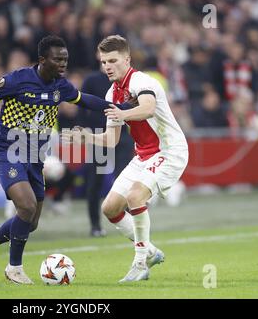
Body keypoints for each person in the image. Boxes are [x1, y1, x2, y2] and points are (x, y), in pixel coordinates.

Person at [0, 35, 132, 284]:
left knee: (31, 222)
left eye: (65, 60)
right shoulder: (16, 80)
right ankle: (14, 268)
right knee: (26, 207)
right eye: (57, 59)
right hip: (8, 153)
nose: (62, 64)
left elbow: (86, 101)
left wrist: (122, 108)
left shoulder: (61, 86)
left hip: (36, 158)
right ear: (42, 60)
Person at [62, 35, 189, 282]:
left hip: (170, 150)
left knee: (134, 197)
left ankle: (141, 262)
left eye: (112, 60)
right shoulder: (112, 93)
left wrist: (122, 112)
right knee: (109, 208)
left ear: (127, 59)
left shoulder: (141, 80)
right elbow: (112, 139)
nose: (107, 66)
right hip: (144, 156)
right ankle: (150, 250)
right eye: (103, 61)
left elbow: (148, 108)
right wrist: (86, 136)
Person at [80, 69, 134, 237]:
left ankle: (130, 223)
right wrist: (84, 128)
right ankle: (95, 225)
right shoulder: (92, 80)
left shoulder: (129, 80)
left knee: (126, 179)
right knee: (95, 180)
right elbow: (82, 105)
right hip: (99, 134)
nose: (109, 63)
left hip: (123, 134)